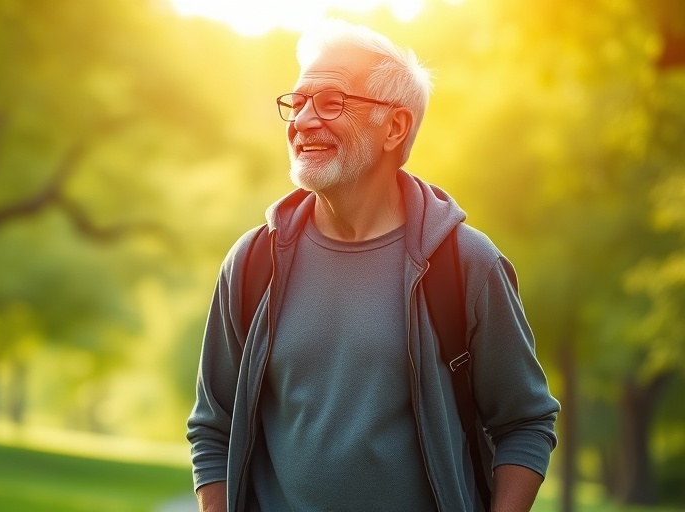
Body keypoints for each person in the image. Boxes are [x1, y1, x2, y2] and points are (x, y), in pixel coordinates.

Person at [186, 20, 560, 512]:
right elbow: (213, 425)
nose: (303, 121)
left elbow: (525, 423)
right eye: (297, 103)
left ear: (396, 127)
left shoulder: (466, 265)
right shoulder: (254, 262)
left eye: (331, 101)